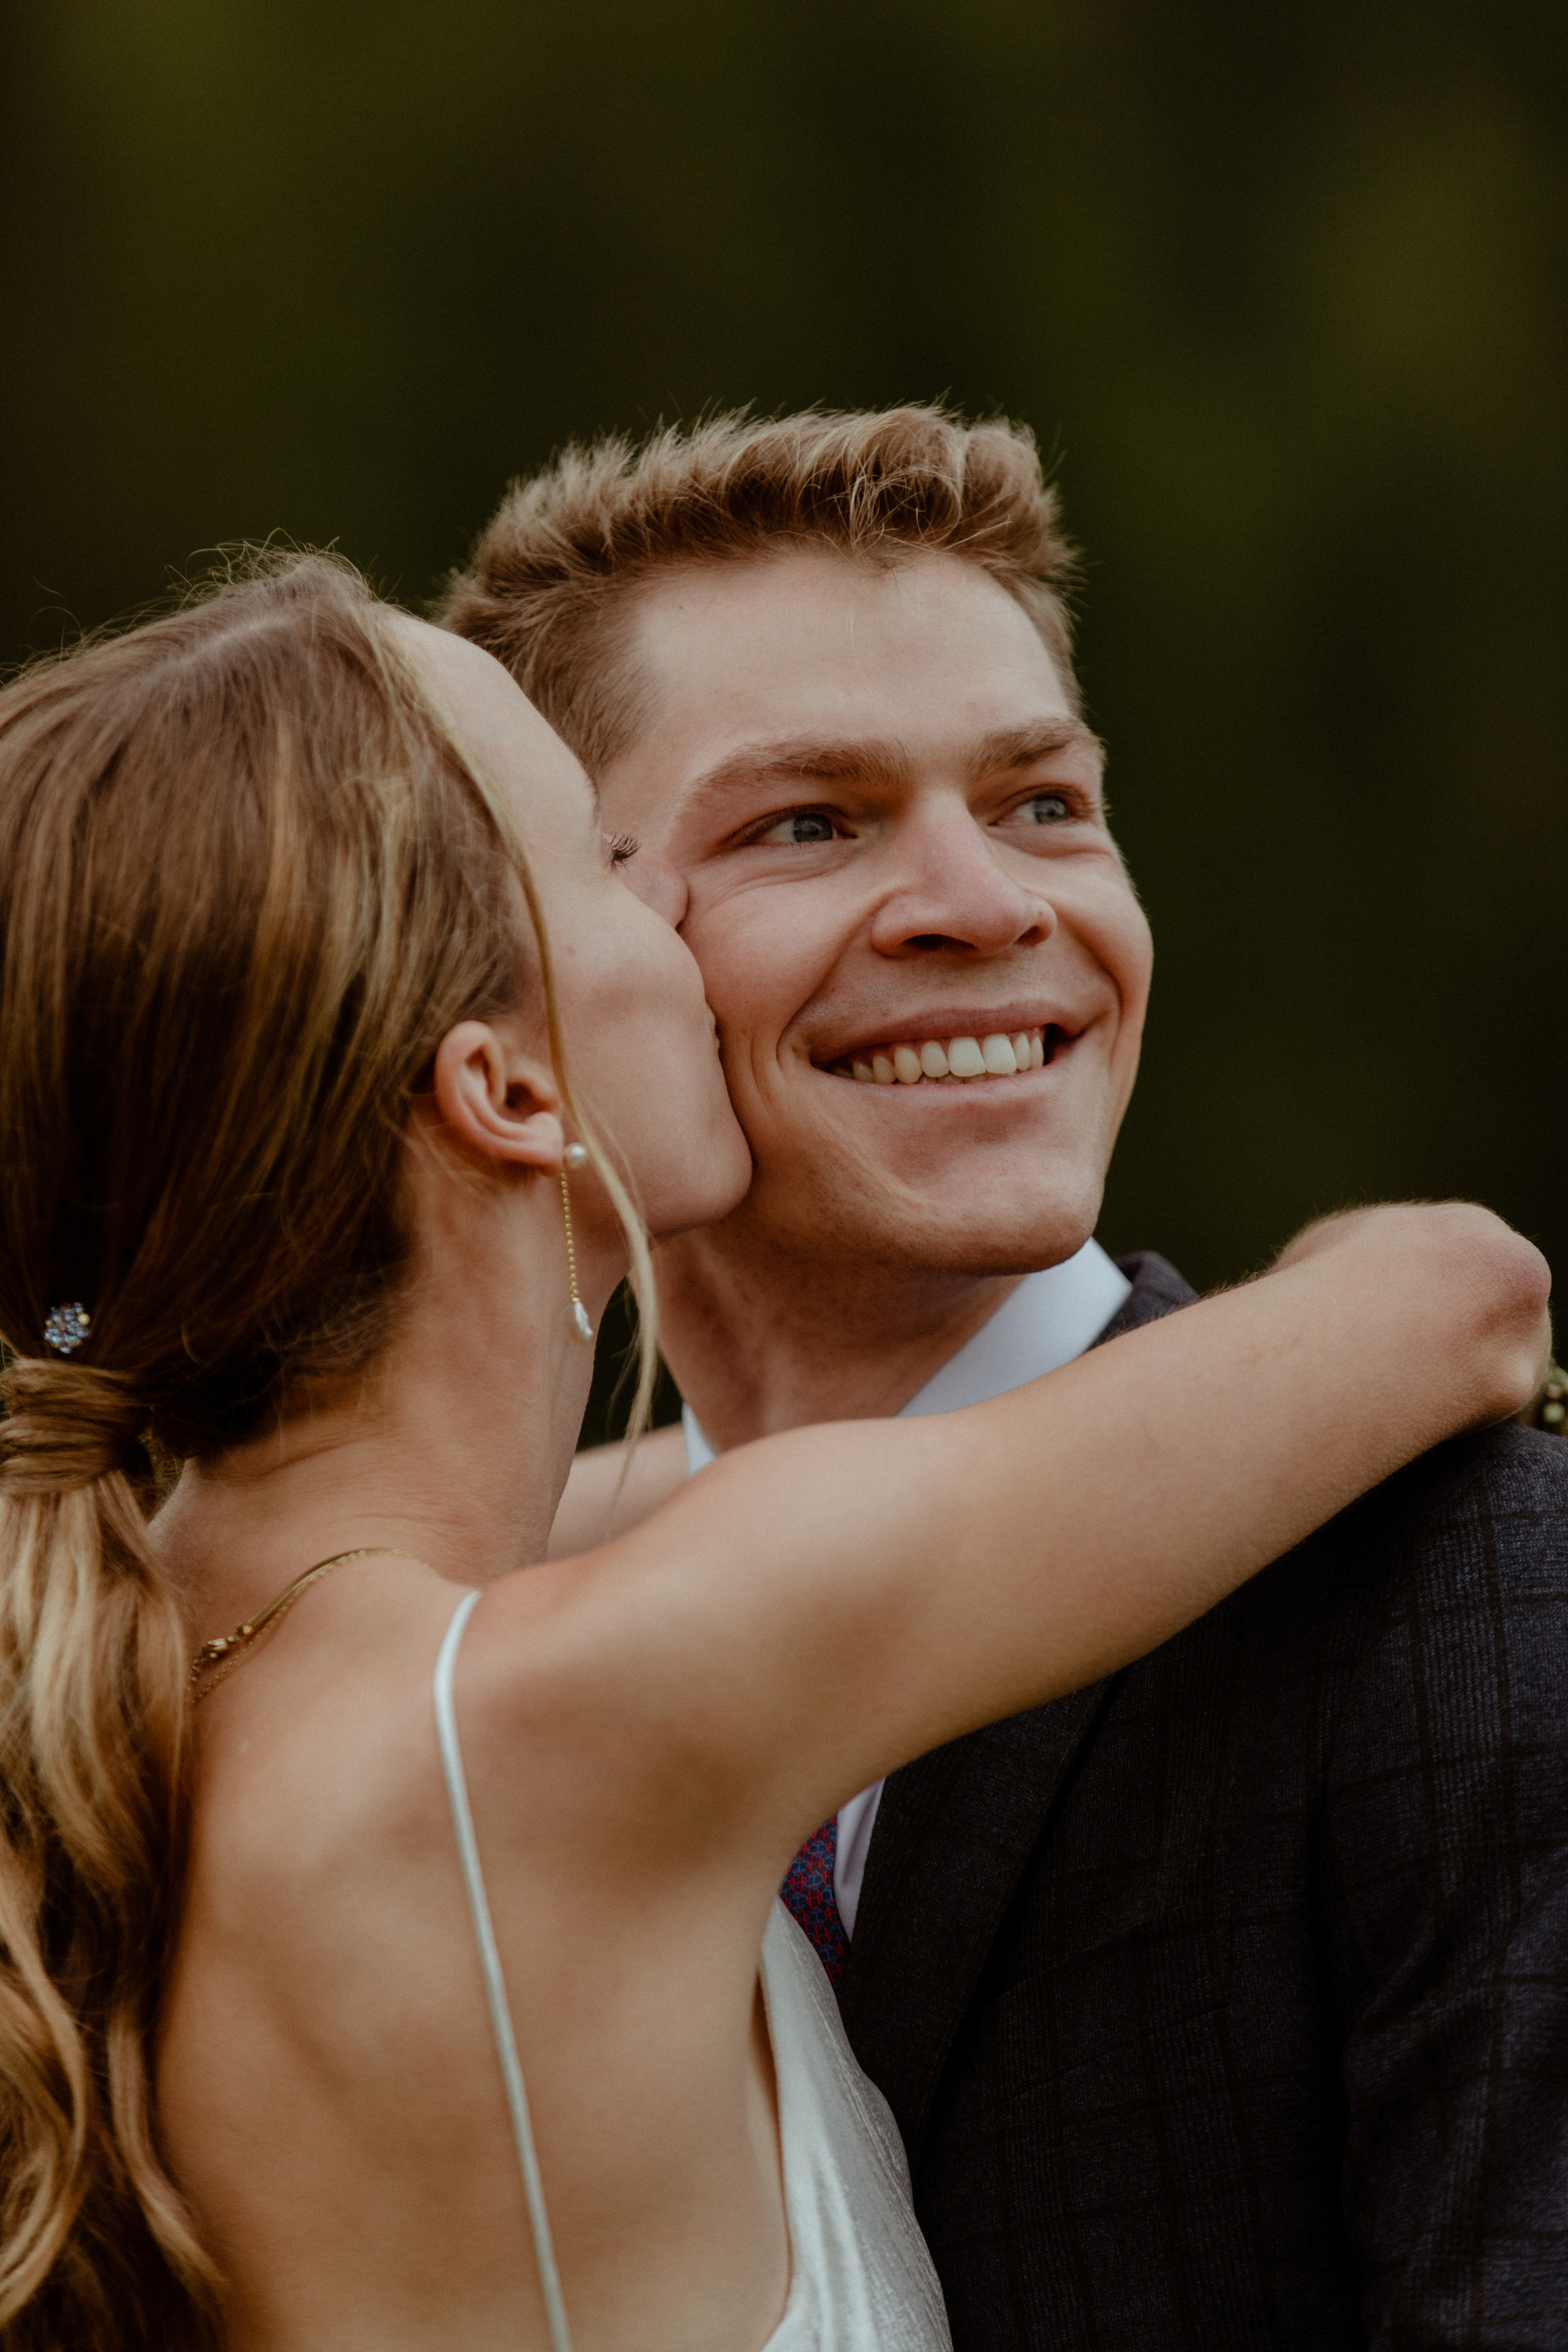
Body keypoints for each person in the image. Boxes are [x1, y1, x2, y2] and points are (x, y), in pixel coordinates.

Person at [0, 555, 1544, 2352]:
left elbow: (693, 1482)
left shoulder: (151, 1657)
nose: (671, 928)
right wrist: (1371, 1256)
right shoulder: (599, 1692)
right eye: (603, 862)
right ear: (508, 1090)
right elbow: (1469, 1288)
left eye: (1047, 801)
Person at [442, 407, 1568, 2349]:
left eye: (1048, 804)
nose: (991, 903)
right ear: (546, 953)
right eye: (811, 819)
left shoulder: (1470, 1584)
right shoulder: (455, 1677)